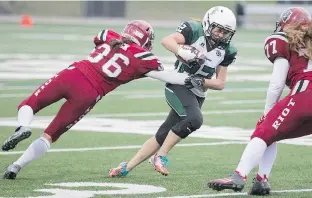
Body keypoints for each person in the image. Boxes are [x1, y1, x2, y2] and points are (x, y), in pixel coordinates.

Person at [2, 20, 202, 179]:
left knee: (29, 104)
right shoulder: (144, 57)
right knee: (49, 135)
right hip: (90, 93)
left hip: (73, 74)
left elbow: (100, 39)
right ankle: (16, 165)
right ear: (144, 39)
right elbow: (167, 76)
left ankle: (23, 126)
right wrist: (193, 78)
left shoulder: (109, 35)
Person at [207, 7, 312, 195]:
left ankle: (239, 176)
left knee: (263, 131)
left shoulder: (284, 41)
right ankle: (261, 180)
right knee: (272, 134)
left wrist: (268, 111)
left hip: (306, 94)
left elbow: (276, 83)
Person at [109, 6, 238, 177]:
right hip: (177, 83)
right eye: (218, 29)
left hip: (197, 92)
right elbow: (167, 40)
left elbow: (220, 83)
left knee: (163, 134)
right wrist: (182, 51)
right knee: (195, 119)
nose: (221, 35)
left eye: (225, 32)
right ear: (208, 23)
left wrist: (200, 81)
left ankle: (126, 167)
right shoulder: (194, 29)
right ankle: (161, 156)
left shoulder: (228, 50)